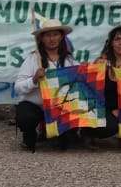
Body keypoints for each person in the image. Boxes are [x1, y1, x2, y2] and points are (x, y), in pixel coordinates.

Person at [13, 19, 78, 152]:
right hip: (36, 106)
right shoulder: (32, 59)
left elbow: (80, 84)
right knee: (26, 117)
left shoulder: (69, 60)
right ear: (41, 38)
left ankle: (60, 133)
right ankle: (29, 136)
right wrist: (34, 79)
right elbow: (18, 87)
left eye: (55, 35)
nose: (52, 39)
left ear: (61, 37)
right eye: (48, 35)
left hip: (60, 107)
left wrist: (85, 70)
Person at [86, 25, 121, 149]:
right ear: (111, 43)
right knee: (107, 127)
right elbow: (89, 88)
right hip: (102, 107)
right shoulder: (101, 62)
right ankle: (87, 133)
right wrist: (95, 69)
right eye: (117, 39)